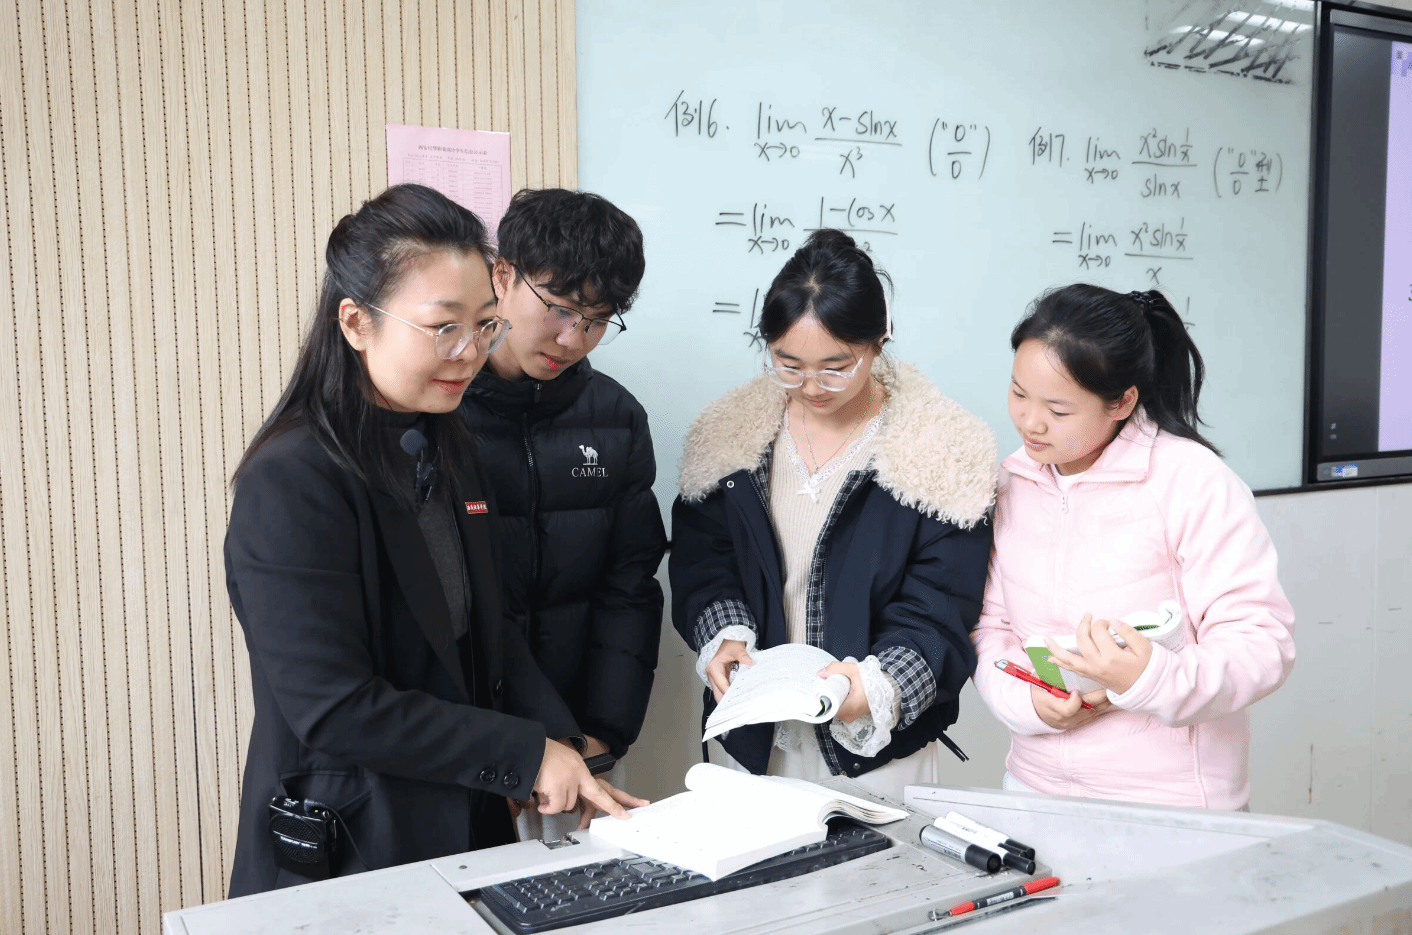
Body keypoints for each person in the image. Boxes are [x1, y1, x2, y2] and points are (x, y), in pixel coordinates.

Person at [225, 183, 641, 897]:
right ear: (356, 322)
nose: (469, 353)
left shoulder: (445, 442)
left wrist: (563, 744)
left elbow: (486, 632)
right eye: (443, 327)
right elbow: (334, 705)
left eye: (484, 325)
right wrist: (523, 754)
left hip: (461, 819)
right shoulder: (291, 478)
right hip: (352, 834)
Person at [668, 229, 996, 803]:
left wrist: (877, 686)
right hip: (753, 735)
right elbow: (705, 564)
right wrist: (722, 637)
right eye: (788, 365)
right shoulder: (728, 440)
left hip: (875, 748)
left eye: (836, 367)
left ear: (878, 341)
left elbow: (942, 606)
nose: (811, 387)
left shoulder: (941, 454)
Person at [970, 284, 1296, 811]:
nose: (1030, 421)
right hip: (1035, 789)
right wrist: (1026, 702)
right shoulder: (1013, 482)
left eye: (1058, 409)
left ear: (1122, 401)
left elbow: (1262, 643)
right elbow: (992, 627)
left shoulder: (1192, 482)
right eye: (1019, 393)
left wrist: (1149, 679)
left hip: (1173, 804)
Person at [458, 188, 666, 840]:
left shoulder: (617, 418)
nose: (574, 338)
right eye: (559, 308)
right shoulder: (442, 410)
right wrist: (503, 750)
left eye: (598, 320)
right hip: (471, 747)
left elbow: (629, 587)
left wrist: (600, 735)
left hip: (583, 747)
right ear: (502, 275)